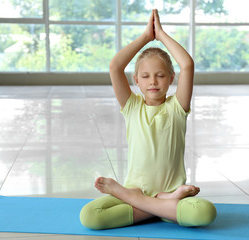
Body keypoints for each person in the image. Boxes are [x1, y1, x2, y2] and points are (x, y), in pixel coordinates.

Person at [80, 9, 217, 229]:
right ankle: (162, 205)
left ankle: (151, 201)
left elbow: (187, 65)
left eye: (160, 75)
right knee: (90, 216)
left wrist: (161, 35)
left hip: (145, 194)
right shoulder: (132, 106)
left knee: (205, 212)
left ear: (171, 78)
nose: (153, 81)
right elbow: (115, 66)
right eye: (145, 76)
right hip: (145, 192)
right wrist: (145, 37)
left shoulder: (177, 107)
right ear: (136, 80)